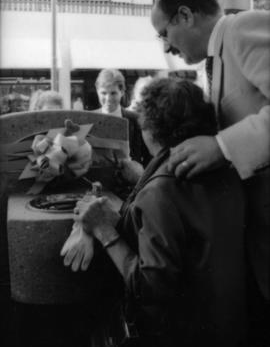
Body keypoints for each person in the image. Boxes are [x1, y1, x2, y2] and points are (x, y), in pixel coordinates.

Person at [74, 78, 247, 347]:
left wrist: (104, 230)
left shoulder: (158, 193)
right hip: (227, 322)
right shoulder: (227, 171)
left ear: (150, 129)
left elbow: (150, 289)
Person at [150, 0, 270, 346]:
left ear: (185, 15)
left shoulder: (242, 28)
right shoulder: (214, 62)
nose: (167, 46)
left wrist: (221, 146)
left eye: (164, 33)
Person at [93, 68, 148, 167]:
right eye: (103, 93)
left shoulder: (135, 119)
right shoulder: (89, 118)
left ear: (122, 92)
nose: (108, 98)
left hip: (129, 180)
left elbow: (147, 155)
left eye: (113, 93)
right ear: (97, 91)